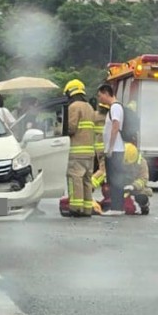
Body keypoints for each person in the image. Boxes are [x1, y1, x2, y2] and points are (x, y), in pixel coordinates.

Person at [62, 79, 96, 218]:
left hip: (77, 151)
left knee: (75, 179)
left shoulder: (74, 107)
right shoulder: (89, 107)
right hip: (89, 153)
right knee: (87, 181)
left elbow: (71, 128)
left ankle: (75, 208)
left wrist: (59, 127)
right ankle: (87, 209)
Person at [95, 84, 126, 215]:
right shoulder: (114, 107)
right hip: (115, 149)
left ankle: (117, 208)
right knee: (113, 179)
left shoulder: (115, 107)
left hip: (116, 150)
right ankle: (116, 207)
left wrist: (111, 147)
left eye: (100, 95)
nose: (99, 98)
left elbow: (115, 126)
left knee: (115, 180)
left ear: (106, 93)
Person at [122, 142, 152, 215]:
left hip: (135, 187)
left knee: (141, 197)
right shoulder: (118, 159)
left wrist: (133, 186)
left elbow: (143, 179)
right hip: (120, 185)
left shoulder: (142, 162)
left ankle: (144, 206)